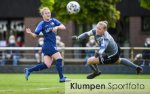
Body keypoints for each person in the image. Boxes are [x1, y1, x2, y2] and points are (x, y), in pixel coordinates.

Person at [72, 21, 143, 79]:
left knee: (89, 61)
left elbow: (103, 47)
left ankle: (96, 72)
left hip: (111, 55)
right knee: (119, 60)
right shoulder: (95, 31)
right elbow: (86, 34)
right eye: (97, 28)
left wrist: (98, 53)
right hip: (115, 49)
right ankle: (137, 67)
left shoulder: (105, 38)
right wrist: (78, 38)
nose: (97, 30)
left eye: (99, 29)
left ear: (104, 30)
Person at [25, 7, 70, 82]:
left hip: (51, 46)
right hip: (48, 45)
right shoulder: (41, 24)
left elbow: (63, 27)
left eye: (49, 13)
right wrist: (30, 33)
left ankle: (29, 70)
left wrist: (57, 27)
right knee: (59, 59)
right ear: (43, 15)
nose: (48, 14)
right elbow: (35, 35)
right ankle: (61, 78)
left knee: (47, 65)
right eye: (46, 13)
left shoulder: (54, 21)